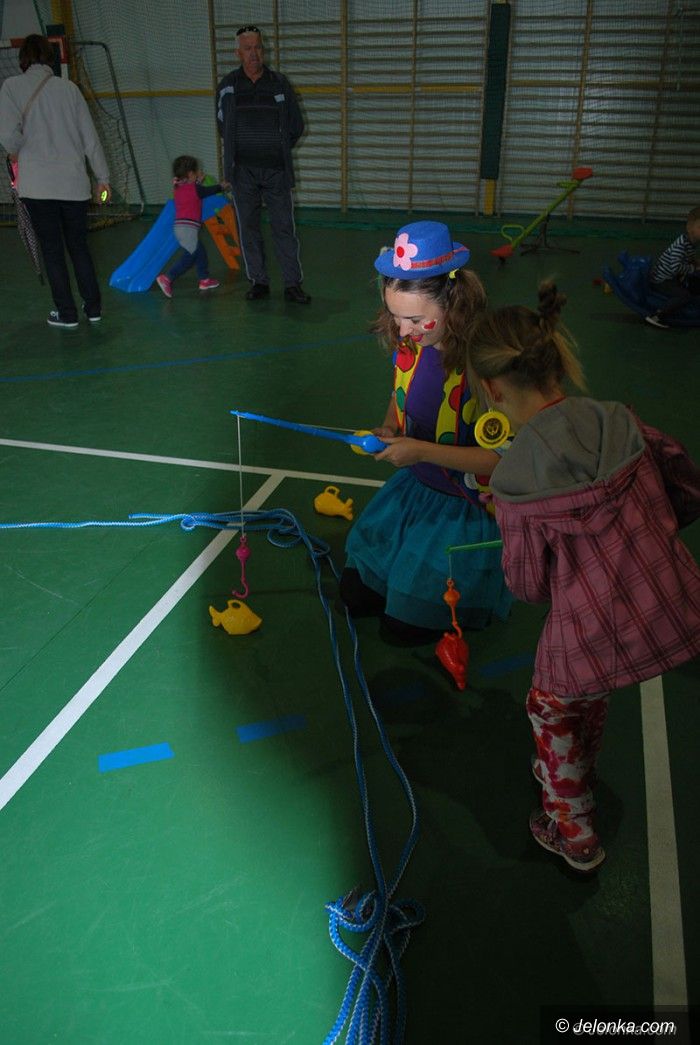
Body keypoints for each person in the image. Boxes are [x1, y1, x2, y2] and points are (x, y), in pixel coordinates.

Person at [467, 281, 700, 872]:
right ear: (552, 361)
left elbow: (528, 586)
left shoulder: (514, 480)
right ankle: (577, 766)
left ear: (492, 389)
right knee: (583, 693)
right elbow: (683, 478)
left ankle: (575, 835)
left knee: (550, 705)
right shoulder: (617, 418)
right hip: (667, 598)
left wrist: (510, 518)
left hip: (590, 626)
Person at [339, 220, 512, 645]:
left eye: (415, 319)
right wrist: (390, 426)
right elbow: (399, 395)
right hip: (415, 491)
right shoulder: (412, 345)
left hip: (462, 507)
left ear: (454, 305)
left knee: (401, 629)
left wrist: (419, 451)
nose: (403, 331)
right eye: (395, 317)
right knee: (353, 596)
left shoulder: (485, 367)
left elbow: (501, 461)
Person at [0, 34, 111, 328]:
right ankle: (94, 308)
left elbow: (8, 135)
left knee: (52, 250)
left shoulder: (11, 87)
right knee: (79, 247)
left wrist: (16, 149)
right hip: (74, 185)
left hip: (38, 187)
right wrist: (103, 178)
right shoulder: (70, 89)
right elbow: (90, 139)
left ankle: (67, 313)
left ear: (23, 58)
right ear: (50, 57)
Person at [215, 25, 310, 304]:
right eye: (248, 48)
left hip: (276, 171)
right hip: (243, 172)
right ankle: (258, 281)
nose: (254, 53)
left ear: (263, 49)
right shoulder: (228, 86)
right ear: (238, 53)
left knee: (284, 228)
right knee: (248, 228)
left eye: (257, 47)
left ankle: (292, 284)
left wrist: (274, 148)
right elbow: (222, 126)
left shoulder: (279, 83)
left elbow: (296, 125)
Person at [156, 155, 230, 298]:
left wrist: (197, 181)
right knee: (190, 257)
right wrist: (222, 186)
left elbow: (192, 190)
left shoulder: (178, 188)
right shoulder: (196, 189)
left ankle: (204, 280)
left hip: (181, 227)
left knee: (200, 253)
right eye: (196, 171)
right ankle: (168, 278)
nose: (198, 173)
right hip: (188, 229)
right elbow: (208, 191)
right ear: (190, 174)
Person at [645, 206, 700, 328]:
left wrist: (695, 262)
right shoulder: (680, 246)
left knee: (693, 283)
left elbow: (689, 258)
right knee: (684, 296)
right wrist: (694, 269)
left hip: (672, 277)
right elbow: (676, 267)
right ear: (690, 228)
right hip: (662, 280)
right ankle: (657, 316)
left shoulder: (691, 243)